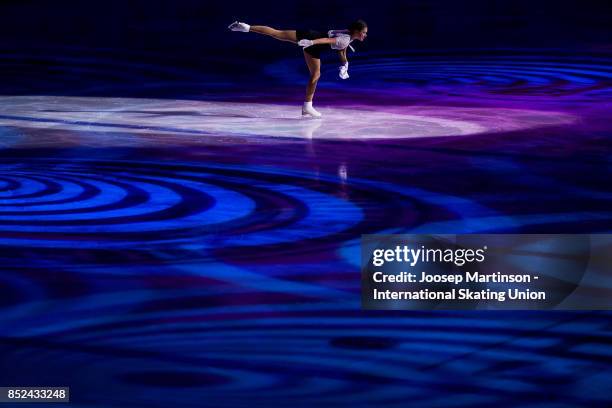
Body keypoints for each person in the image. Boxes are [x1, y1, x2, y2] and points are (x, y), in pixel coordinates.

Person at [228, 19, 368, 117]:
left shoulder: (347, 35)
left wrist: (345, 65)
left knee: (278, 33)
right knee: (315, 75)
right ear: (356, 31)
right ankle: (307, 106)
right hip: (313, 42)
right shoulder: (345, 39)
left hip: (310, 36)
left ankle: (246, 27)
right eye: (364, 32)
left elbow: (341, 50)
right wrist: (311, 42)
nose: (365, 35)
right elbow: (328, 41)